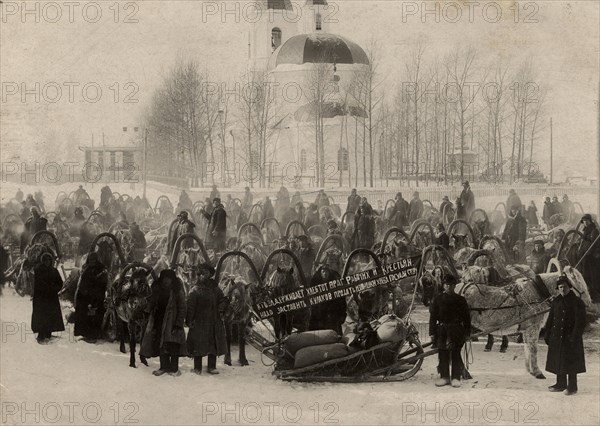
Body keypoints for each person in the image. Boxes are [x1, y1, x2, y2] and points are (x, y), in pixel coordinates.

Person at [544, 275, 586, 395]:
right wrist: (547, 334)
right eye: (560, 287)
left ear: (570, 287)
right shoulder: (556, 302)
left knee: (571, 363)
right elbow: (550, 319)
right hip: (557, 337)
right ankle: (560, 384)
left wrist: (574, 337)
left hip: (570, 338)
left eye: (565, 287)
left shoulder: (577, 302)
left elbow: (580, 322)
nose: (563, 289)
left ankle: (572, 387)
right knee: (559, 361)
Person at [140, 269, 187, 377]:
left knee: (173, 344)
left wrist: (179, 324)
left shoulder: (177, 291)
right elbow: (151, 303)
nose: (166, 281)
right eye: (164, 278)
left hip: (172, 321)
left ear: (172, 279)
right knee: (162, 344)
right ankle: (164, 366)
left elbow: (182, 308)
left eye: (168, 278)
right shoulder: (157, 290)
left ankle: (174, 368)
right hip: (159, 320)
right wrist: (147, 311)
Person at [429, 273, 471, 387]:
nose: (449, 287)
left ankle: (456, 378)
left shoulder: (460, 300)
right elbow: (432, 317)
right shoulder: (437, 299)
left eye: (451, 285)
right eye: (447, 285)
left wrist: (467, 333)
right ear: (443, 285)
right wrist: (432, 332)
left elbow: (467, 318)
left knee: (456, 353)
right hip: (442, 330)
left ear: (454, 286)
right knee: (443, 354)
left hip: (456, 330)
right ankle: (444, 377)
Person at [186, 263, 229, 375]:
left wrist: (221, 307)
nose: (203, 276)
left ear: (210, 275)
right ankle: (197, 367)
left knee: (212, 344)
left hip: (213, 321)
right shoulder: (195, 290)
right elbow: (190, 307)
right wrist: (189, 320)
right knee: (198, 345)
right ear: (199, 275)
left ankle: (211, 366)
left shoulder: (216, 289)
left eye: (206, 273)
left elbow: (223, 300)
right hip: (199, 322)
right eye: (201, 274)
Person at [74, 252, 108, 343]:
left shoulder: (101, 270)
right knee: (86, 315)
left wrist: (94, 293)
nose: (92, 262)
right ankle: (85, 334)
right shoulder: (88, 268)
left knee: (94, 316)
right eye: (90, 260)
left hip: (96, 296)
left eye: (93, 260)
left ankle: (93, 336)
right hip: (85, 296)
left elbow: (102, 284)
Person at [31, 253, 64, 344]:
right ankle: (41, 334)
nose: (47, 262)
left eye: (49, 260)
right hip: (41, 297)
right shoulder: (38, 270)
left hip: (51, 297)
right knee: (41, 315)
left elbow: (60, 283)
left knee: (50, 315)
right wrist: (48, 289)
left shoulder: (54, 271)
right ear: (42, 261)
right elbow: (39, 284)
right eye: (45, 260)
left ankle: (48, 332)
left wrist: (55, 289)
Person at [308, 265, 347, 334]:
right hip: (319, 316)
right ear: (320, 273)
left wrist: (342, 315)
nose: (325, 274)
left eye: (326, 272)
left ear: (329, 273)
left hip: (332, 316)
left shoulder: (335, 285)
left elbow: (342, 300)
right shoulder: (314, 284)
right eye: (323, 272)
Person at [578, 214, 600, 302]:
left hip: (592, 257)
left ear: (590, 221)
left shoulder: (594, 230)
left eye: (587, 221)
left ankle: (595, 296)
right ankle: (589, 294)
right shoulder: (585, 230)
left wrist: (592, 252)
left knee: (592, 276)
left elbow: (596, 244)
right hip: (585, 256)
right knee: (585, 275)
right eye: (584, 221)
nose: (585, 223)